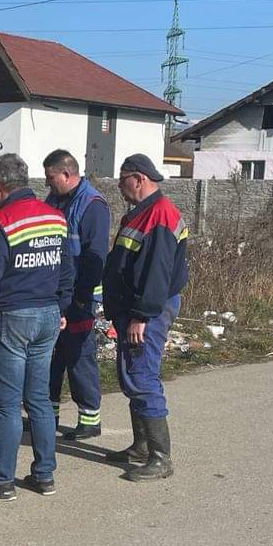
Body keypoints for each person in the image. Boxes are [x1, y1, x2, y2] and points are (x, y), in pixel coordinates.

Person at [0, 153, 74, 500]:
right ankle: (44, 475)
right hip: (48, 315)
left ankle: (2, 480)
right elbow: (67, 269)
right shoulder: (55, 217)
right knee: (39, 398)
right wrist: (62, 306)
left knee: (7, 404)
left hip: (12, 318)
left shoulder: (2, 222)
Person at [101, 152, 189, 481]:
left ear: (138, 179)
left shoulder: (159, 216)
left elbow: (156, 273)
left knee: (142, 376)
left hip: (147, 311)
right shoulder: (140, 213)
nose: (119, 186)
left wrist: (141, 316)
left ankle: (160, 458)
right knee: (131, 376)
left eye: (122, 179)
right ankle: (141, 447)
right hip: (134, 309)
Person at [42, 149, 110, 441]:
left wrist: (81, 296)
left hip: (80, 297)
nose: (48, 183)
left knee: (79, 357)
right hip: (54, 294)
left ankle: (89, 419)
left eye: (51, 178)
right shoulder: (54, 199)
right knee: (51, 357)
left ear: (67, 174)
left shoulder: (92, 204)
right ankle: (48, 415)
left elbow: (96, 256)